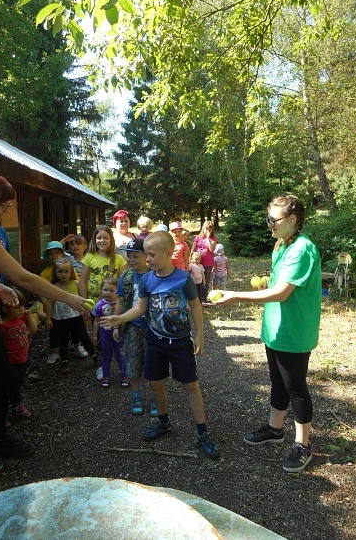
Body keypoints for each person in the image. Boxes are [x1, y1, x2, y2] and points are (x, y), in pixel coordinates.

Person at [0, 174, 92, 484]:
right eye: (2, 206)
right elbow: (23, 277)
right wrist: (70, 298)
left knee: (4, 379)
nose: (4, 212)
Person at [216, 195, 321, 473]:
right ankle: (275, 430)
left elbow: (282, 293)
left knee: (296, 388)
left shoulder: (302, 249)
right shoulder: (281, 245)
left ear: (292, 219)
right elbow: (280, 284)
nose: (269, 224)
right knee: (278, 382)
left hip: (294, 331)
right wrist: (267, 282)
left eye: (273, 220)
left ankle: (303, 445)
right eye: (269, 219)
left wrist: (236, 296)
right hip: (275, 328)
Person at [102, 231, 219, 460]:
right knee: (155, 382)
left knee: (190, 385)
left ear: (168, 254)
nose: (148, 259)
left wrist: (200, 335)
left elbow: (196, 306)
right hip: (155, 340)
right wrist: (120, 318)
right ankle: (163, 421)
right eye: (146, 254)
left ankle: (202, 432)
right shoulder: (147, 279)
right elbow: (140, 308)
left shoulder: (183, 278)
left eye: (152, 255)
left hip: (180, 341)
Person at [113, 239, 157, 415]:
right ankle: (136, 396)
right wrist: (117, 325)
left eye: (135, 256)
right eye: (129, 256)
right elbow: (120, 301)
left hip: (153, 328)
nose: (130, 260)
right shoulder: (126, 277)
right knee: (133, 363)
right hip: (132, 327)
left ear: (146, 256)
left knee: (154, 364)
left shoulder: (156, 275)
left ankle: (156, 398)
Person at [45, 257, 96, 374]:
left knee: (83, 336)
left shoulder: (76, 284)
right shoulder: (54, 287)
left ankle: (94, 356)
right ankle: (64, 361)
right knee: (63, 339)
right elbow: (50, 303)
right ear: (55, 272)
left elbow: (82, 299)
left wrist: (86, 311)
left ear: (71, 271)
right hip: (60, 319)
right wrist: (48, 319)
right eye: (60, 271)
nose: (63, 274)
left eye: (66, 271)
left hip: (75, 316)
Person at [40, 241, 83, 363]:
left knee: (74, 327)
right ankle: (54, 351)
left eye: (57, 253)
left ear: (62, 254)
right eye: (51, 253)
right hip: (53, 305)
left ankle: (77, 345)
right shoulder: (45, 272)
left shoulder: (69, 268)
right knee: (54, 329)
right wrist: (45, 304)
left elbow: (76, 284)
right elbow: (41, 290)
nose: (54, 255)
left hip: (70, 305)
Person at [0, 289, 37, 422]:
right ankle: (3, 412)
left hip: (23, 360)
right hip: (10, 363)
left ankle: (16, 405)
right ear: (5, 309)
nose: (22, 309)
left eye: (23, 306)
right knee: (6, 387)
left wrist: (29, 317)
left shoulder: (21, 318)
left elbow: (33, 330)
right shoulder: (2, 326)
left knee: (18, 384)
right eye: (17, 307)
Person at [92, 276, 128, 388]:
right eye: (105, 290)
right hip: (105, 335)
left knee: (120, 355)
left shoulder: (120, 304)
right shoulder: (99, 305)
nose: (108, 293)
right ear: (101, 290)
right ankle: (105, 376)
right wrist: (94, 335)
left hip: (119, 334)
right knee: (106, 356)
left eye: (111, 290)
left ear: (117, 291)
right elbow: (96, 321)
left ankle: (125, 375)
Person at [80, 225, 127, 306]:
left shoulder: (119, 259)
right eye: (99, 238)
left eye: (106, 238)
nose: (102, 240)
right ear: (94, 240)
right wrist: (85, 302)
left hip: (112, 304)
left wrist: (119, 303)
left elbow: (123, 283)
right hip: (92, 303)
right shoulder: (89, 257)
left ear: (111, 239)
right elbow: (82, 282)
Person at [191, 220, 217, 306]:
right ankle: (196, 297)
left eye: (210, 229)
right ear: (203, 228)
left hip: (207, 263)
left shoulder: (213, 238)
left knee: (205, 280)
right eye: (206, 228)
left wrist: (208, 238)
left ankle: (203, 299)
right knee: (196, 279)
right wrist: (190, 258)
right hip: (197, 262)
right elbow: (193, 249)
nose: (208, 231)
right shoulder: (197, 238)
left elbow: (212, 249)